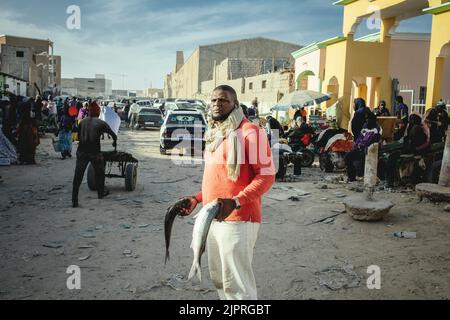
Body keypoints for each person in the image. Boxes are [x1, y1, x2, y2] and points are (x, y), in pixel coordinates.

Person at [178, 85, 275, 300]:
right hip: (213, 216)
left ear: (236, 104)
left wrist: (236, 201)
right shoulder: (216, 135)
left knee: (237, 285)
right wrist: (197, 199)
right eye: (213, 100)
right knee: (220, 279)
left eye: (223, 100)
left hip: (239, 219)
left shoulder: (251, 131)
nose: (217, 104)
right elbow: (219, 180)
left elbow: (267, 176)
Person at [71, 102, 117, 208]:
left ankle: (74, 200)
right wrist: (114, 143)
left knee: (78, 176)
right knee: (100, 173)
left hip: (81, 152)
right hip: (94, 152)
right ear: (98, 111)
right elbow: (113, 135)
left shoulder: (82, 122)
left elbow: (77, 136)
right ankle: (100, 193)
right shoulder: (101, 123)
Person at [345, 112, 381, 182]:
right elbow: (360, 138)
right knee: (347, 157)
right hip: (360, 148)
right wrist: (356, 145)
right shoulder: (365, 126)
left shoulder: (377, 129)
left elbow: (374, 140)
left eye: (368, 119)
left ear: (373, 119)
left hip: (369, 150)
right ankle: (352, 177)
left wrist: (362, 145)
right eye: (366, 119)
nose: (367, 120)